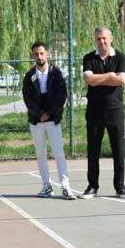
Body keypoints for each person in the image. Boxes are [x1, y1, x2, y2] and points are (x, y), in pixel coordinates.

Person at [82, 26, 125, 198]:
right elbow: (89, 80)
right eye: (98, 38)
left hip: (115, 110)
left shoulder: (120, 57)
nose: (101, 41)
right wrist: (110, 76)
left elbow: (121, 80)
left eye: (104, 38)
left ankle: (120, 186)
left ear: (111, 39)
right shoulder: (89, 57)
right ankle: (92, 186)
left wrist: (103, 78)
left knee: (118, 149)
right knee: (93, 149)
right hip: (94, 111)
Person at [22, 41, 73, 199]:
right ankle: (46, 186)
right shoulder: (29, 76)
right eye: (36, 54)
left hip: (53, 119)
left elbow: (61, 95)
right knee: (41, 153)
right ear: (32, 56)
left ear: (47, 54)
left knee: (58, 153)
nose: (39, 56)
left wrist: (50, 113)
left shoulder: (56, 73)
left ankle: (65, 186)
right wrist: (39, 114)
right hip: (36, 121)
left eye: (42, 53)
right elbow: (28, 98)